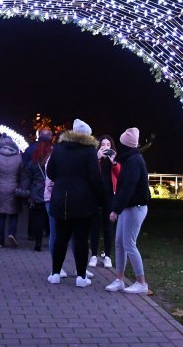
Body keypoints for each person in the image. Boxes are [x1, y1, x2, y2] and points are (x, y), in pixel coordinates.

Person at [46, 119, 103, 288]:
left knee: (60, 238)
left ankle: (55, 273)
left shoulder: (59, 148)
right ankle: (81, 276)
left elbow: (50, 172)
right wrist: (100, 199)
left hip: (60, 200)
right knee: (81, 239)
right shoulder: (89, 151)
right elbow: (95, 178)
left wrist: (62, 182)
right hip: (83, 202)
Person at [105, 127, 151, 294]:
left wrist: (115, 210)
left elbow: (127, 188)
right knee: (119, 243)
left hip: (135, 207)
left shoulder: (134, 161)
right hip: (129, 207)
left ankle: (141, 282)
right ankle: (119, 279)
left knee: (129, 244)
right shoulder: (130, 159)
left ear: (125, 143)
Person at [90, 134, 121, 268]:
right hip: (96, 196)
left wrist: (113, 161)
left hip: (110, 196)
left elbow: (120, 175)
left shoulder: (115, 160)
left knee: (108, 226)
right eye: (103, 145)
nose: (105, 147)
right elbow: (90, 172)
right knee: (95, 226)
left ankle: (107, 256)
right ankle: (93, 256)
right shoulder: (94, 159)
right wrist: (97, 158)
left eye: (108, 145)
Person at [0, 136, 23, 247]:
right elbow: (21, 174)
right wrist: (19, 185)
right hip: (13, 188)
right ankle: (12, 234)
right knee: (14, 214)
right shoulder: (18, 157)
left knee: (1, 215)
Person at [20, 133, 52, 251]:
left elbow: (27, 175)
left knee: (38, 219)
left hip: (36, 192)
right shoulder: (53, 157)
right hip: (50, 191)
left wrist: (25, 190)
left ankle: (37, 243)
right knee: (50, 218)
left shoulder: (35, 159)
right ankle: (51, 241)